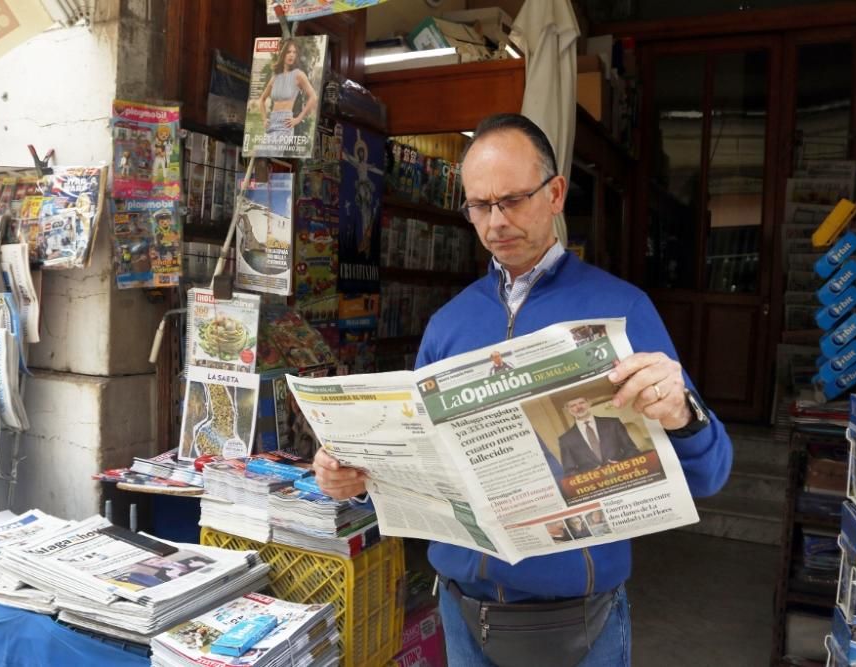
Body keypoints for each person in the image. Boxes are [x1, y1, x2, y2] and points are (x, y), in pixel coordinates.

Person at [312, 113, 732, 666]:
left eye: (512, 200)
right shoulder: (448, 324)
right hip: (463, 614)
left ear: (556, 194)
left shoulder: (623, 311)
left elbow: (710, 473)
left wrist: (684, 415)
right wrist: (354, 476)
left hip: (581, 619)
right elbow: (418, 465)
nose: (496, 222)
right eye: (480, 206)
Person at [558, 396, 641, 475]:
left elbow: (632, 450)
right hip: (594, 484)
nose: (579, 407)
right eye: (573, 405)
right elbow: (569, 471)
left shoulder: (613, 424)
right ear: (568, 410)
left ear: (589, 403)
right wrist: (588, 476)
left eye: (581, 402)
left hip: (625, 474)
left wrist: (622, 465)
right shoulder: (565, 440)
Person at [257, 39, 318, 145]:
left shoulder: (298, 75)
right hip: (272, 121)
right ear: (283, 54)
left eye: (294, 53)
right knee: (260, 154)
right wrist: (264, 119)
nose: (291, 55)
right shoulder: (275, 77)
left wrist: (298, 119)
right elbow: (261, 99)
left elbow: (313, 97)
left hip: (285, 124)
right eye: (289, 52)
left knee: (268, 152)